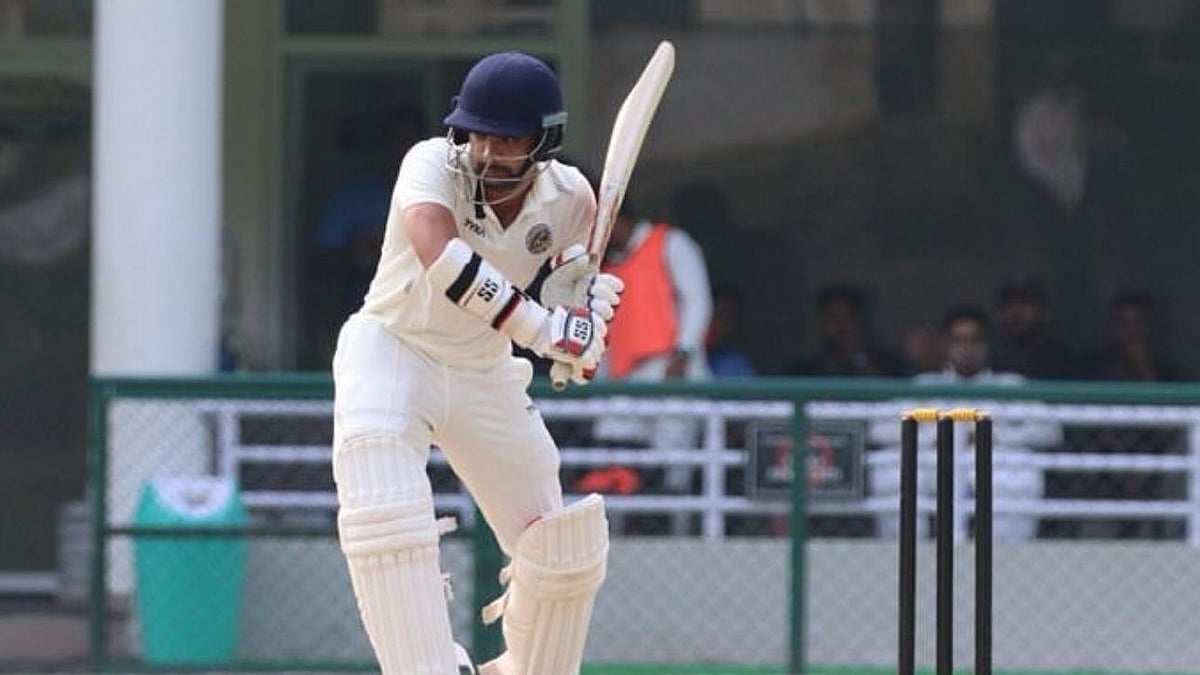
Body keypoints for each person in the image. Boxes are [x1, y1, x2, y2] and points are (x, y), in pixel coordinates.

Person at [330, 52, 624, 675]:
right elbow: (442, 258)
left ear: (543, 141)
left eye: (507, 136)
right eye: (478, 132)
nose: (488, 151)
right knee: (384, 513)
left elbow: (569, 283)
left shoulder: (572, 199)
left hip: (482, 369)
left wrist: (583, 320)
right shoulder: (430, 163)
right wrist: (545, 330)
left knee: (561, 546)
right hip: (393, 348)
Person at [870, 304, 1060, 542]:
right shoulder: (925, 387)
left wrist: (996, 438)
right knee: (893, 470)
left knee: (1019, 473)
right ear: (944, 345)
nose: (967, 349)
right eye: (958, 341)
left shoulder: (1009, 386)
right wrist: (931, 439)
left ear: (987, 345)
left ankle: (1006, 559)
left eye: (975, 341)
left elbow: (1050, 430)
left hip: (992, 465)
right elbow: (878, 428)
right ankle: (906, 555)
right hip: (933, 463)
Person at [589, 198, 713, 535]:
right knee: (614, 447)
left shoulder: (670, 242)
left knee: (674, 461)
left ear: (620, 220)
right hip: (626, 376)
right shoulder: (603, 266)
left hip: (672, 367)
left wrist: (684, 351)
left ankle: (675, 533)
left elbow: (698, 299)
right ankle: (614, 534)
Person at [786, 283, 904, 377]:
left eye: (849, 317)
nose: (841, 325)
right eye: (834, 317)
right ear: (821, 322)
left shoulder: (887, 364)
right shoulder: (802, 371)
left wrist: (857, 358)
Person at [991, 277, 1080, 380]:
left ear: (1045, 313)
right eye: (1010, 304)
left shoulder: (1064, 362)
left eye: (1026, 303)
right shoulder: (991, 360)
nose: (1017, 312)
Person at [706, 283, 756, 377]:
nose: (724, 326)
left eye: (730, 319)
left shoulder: (733, 363)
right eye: (720, 316)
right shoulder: (678, 356)